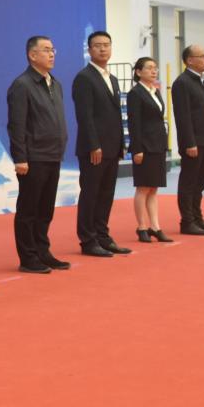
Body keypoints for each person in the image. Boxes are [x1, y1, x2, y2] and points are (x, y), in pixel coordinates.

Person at [7, 35, 69, 274]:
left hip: (53, 155)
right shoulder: (22, 85)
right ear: (32, 55)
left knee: (45, 210)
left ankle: (43, 251)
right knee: (29, 210)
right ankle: (28, 257)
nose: (51, 54)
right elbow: (17, 125)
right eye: (45, 50)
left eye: (53, 50)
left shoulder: (55, 83)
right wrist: (20, 158)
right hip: (33, 157)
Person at [71, 30, 129, 257]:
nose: (103, 49)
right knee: (91, 194)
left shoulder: (112, 78)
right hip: (94, 149)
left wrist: (122, 143)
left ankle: (103, 236)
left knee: (106, 194)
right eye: (97, 45)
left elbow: (114, 115)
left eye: (106, 45)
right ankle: (88, 240)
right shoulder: (84, 78)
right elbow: (84, 115)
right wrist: (94, 145)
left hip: (112, 147)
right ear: (89, 50)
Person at [170, 44, 204, 236]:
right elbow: (182, 116)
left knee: (200, 183)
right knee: (189, 183)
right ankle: (187, 221)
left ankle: (198, 217)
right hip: (193, 142)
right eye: (202, 56)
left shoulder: (203, 81)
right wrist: (189, 142)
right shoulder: (182, 82)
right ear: (189, 60)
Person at [125, 57, 172, 244]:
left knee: (153, 188)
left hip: (158, 144)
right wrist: (137, 148)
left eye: (155, 68)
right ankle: (142, 227)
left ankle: (155, 226)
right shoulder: (135, 93)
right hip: (144, 147)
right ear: (138, 72)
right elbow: (134, 123)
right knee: (143, 187)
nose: (154, 71)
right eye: (149, 68)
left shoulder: (155, 91)